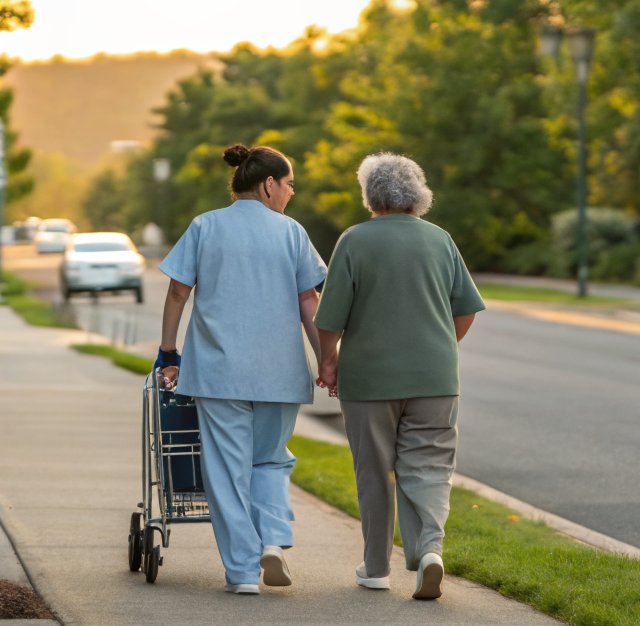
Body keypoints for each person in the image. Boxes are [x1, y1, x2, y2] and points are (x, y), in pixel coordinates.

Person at [157, 143, 327, 594]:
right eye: (290, 184)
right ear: (269, 184)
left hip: (219, 371)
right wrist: (329, 359)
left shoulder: (205, 226)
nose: (291, 193)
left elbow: (178, 293)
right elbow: (308, 302)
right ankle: (273, 540)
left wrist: (169, 353)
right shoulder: (291, 232)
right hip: (280, 372)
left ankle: (242, 573)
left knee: (226, 472)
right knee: (270, 460)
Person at [314, 153, 485, 600]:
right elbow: (465, 309)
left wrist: (328, 361)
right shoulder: (440, 239)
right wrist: (439, 346)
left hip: (369, 380)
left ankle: (375, 569)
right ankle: (429, 550)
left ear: (371, 196)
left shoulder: (354, 240)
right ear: (417, 194)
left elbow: (329, 319)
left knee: (373, 472)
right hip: (435, 377)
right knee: (428, 467)